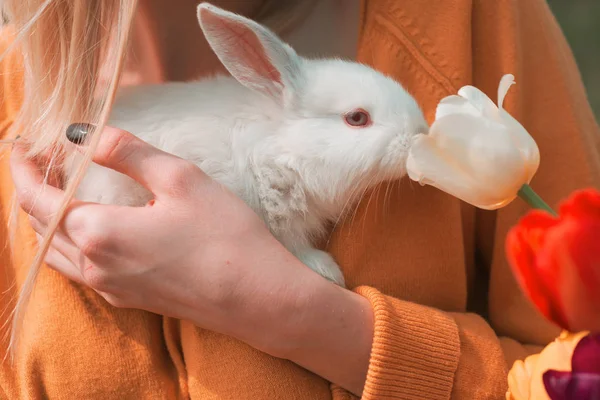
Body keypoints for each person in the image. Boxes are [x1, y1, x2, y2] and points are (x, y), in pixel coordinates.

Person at [1, 0, 599, 398]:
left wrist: (293, 313)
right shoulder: (18, 88)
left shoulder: (465, 19)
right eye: (359, 120)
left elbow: (579, 362)